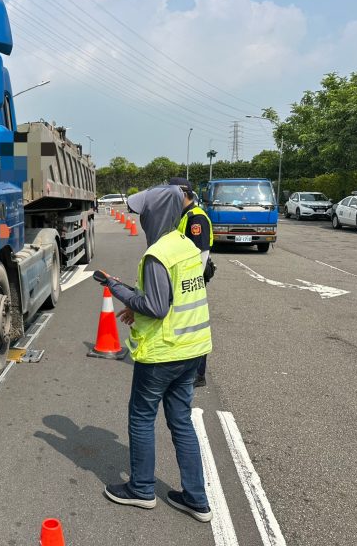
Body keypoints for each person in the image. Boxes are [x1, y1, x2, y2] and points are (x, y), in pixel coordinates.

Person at [98, 184, 213, 522]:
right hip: (192, 350)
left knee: (142, 416)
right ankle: (196, 499)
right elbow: (172, 297)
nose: (142, 218)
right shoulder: (185, 246)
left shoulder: (157, 254)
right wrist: (140, 302)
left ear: (155, 214)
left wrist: (116, 287)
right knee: (181, 420)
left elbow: (157, 306)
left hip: (163, 352)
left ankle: (142, 489)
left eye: (144, 212)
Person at [169, 177, 214, 388]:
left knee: (195, 325)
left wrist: (192, 281)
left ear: (181, 194)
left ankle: (198, 374)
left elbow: (202, 252)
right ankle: (187, 368)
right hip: (185, 278)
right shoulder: (185, 215)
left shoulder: (196, 218)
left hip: (192, 279)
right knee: (186, 323)